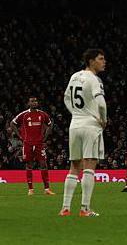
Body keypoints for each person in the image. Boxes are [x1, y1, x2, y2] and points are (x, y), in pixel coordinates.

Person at [59, 48, 108, 217]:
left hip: (75, 125)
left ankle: (65, 208)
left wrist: (75, 113)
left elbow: (66, 97)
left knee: (74, 166)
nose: (104, 61)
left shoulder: (74, 76)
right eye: (100, 59)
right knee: (89, 166)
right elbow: (101, 103)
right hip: (90, 125)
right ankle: (85, 208)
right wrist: (104, 119)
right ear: (91, 61)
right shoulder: (95, 79)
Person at [11, 96, 54, 196]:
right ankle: (30, 189)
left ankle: (47, 189)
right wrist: (20, 136)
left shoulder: (42, 114)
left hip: (39, 143)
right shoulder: (24, 114)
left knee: (43, 164)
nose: (34, 102)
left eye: (35, 101)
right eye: (32, 101)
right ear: (29, 103)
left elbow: (50, 124)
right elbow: (12, 124)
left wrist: (45, 137)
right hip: (27, 143)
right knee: (29, 165)